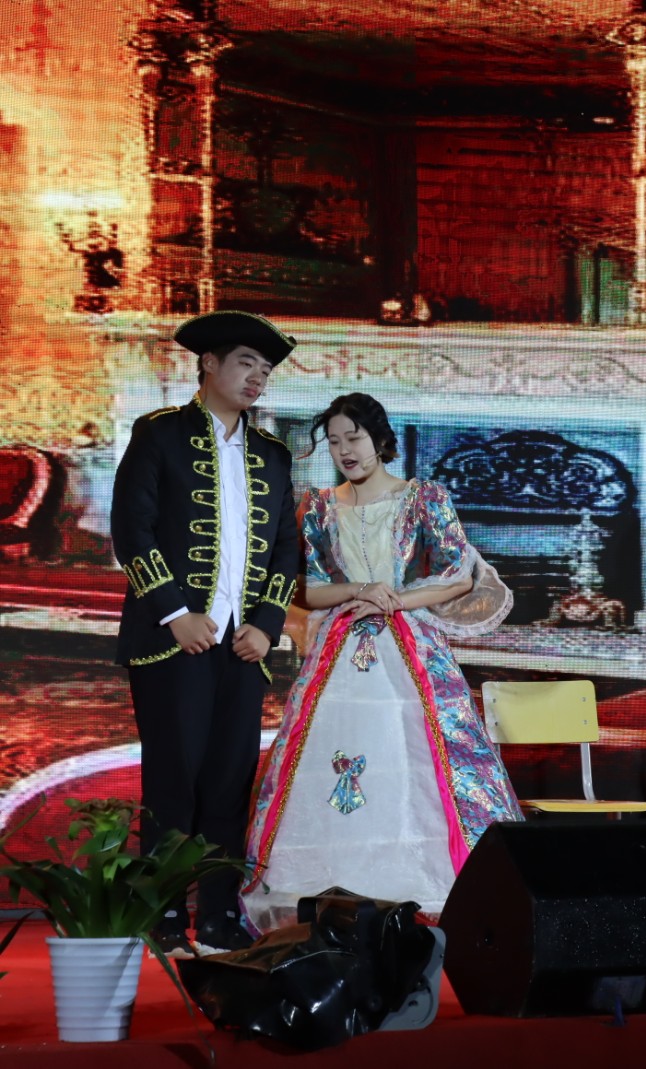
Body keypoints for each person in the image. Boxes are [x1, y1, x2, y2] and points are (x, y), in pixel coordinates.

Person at [241, 393, 521, 933]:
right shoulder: (318, 507)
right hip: (342, 647)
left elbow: (457, 577)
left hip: (410, 644)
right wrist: (360, 590)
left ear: (380, 440)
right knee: (332, 751)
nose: (345, 450)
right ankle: (328, 881)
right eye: (335, 441)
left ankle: (422, 878)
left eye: (355, 438)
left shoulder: (424, 498)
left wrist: (393, 600)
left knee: (416, 751)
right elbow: (307, 590)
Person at [111, 310, 302, 956]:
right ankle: (162, 912)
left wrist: (267, 626)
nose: (258, 377)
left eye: (266, 369)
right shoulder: (160, 433)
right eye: (247, 362)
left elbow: (286, 549)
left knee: (228, 783)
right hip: (173, 640)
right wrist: (175, 612)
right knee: (174, 778)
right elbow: (131, 529)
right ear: (210, 365)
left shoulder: (273, 454)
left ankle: (219, 916)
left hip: (244, 647)